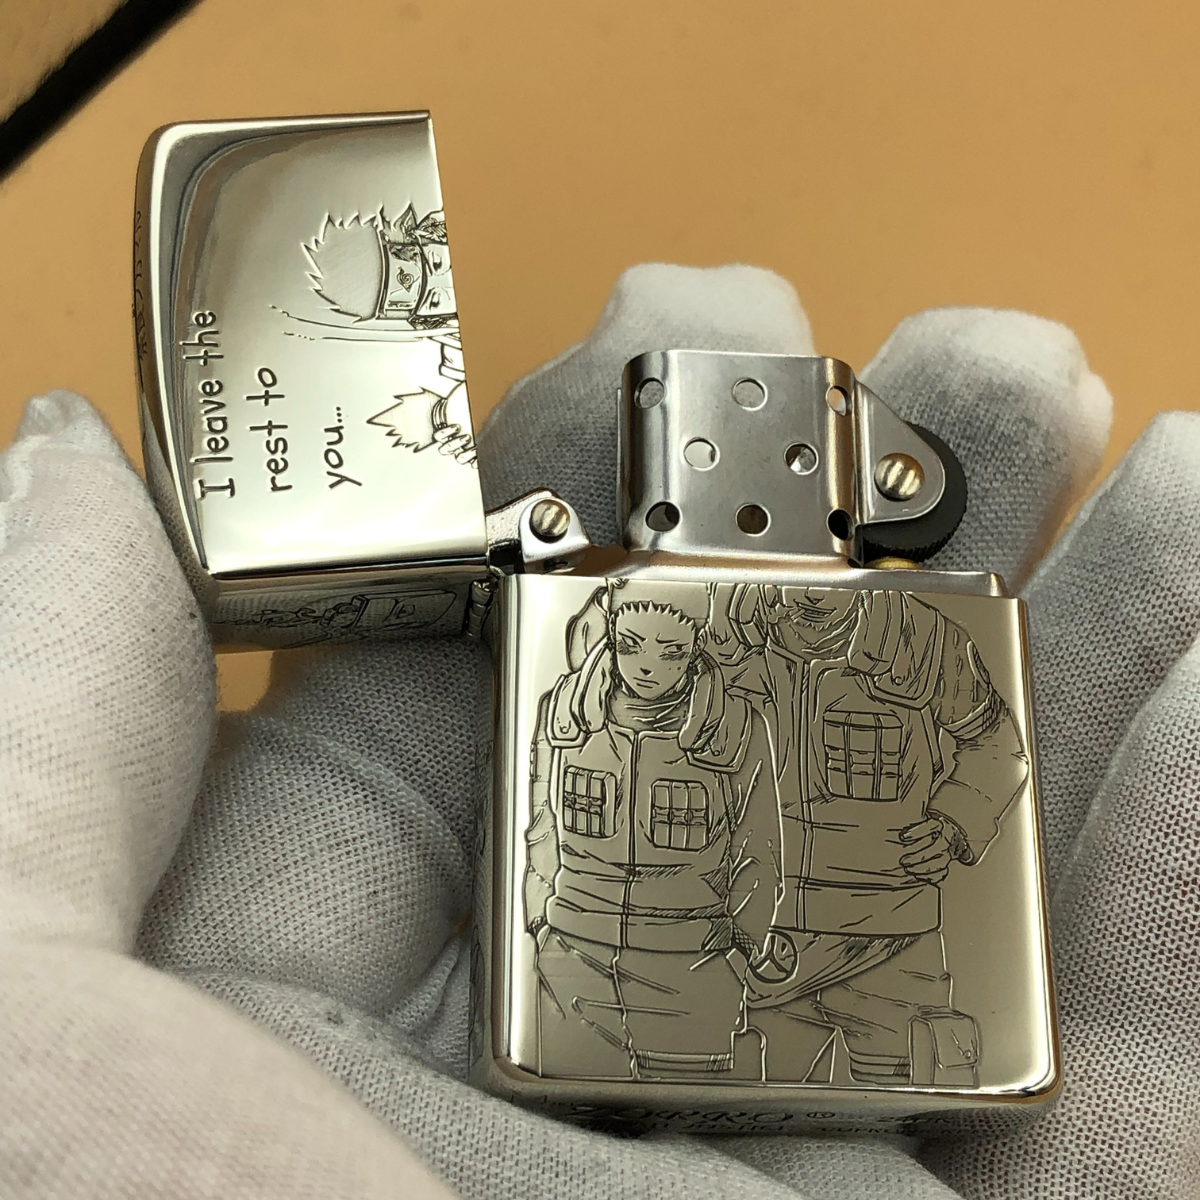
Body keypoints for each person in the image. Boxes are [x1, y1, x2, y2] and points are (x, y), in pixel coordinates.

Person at [6, 264, 1198, 1199]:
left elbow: (953, 763)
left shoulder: (900, 653)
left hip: (863, 953)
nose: (655, 654)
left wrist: (947, 827)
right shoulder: (615, 658)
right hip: (643, 967)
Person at [712, 584, 1028, 1086]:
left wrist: (952, 824)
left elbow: (998, 743)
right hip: (759, 933)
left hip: (891, 934)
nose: (812, 597)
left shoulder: (923, 638)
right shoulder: (728, 633)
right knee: (748, 1097)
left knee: (907, 1090)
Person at [523, 583, 782, 1078]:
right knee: (558, 1103)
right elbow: (541, 821)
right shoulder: (564, 714)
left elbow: (758, 846)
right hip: (572, 948)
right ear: (609, 635)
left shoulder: (737, 726)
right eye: (630, 645)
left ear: (697, 645)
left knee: (687, 1104)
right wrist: (540, 917)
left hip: (691, 961)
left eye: (671, 652)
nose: (647, 667)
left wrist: (742, 946)